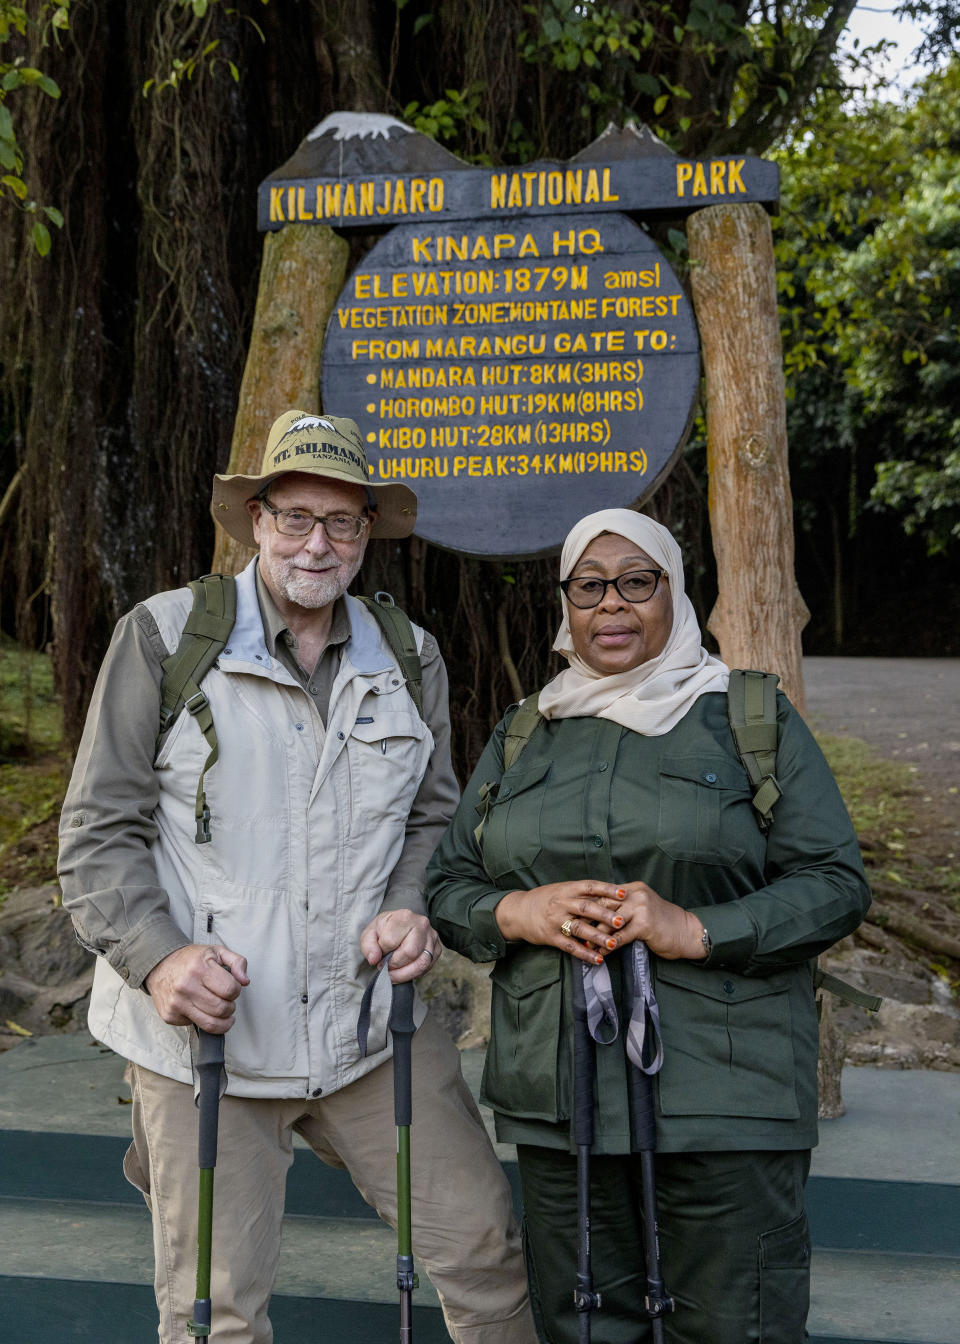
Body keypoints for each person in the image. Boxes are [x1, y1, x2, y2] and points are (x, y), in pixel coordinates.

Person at [58, 410, 537, 1344]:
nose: (318, 542)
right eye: (295, 517)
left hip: (369, 1029)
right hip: (210, 1044)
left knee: (484, 1252)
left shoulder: (410, 655)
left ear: (367, 535)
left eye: (344, 521)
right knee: (217, 1314)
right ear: (257, 521)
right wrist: (160, 962)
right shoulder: (163, 638)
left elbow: (431, 814)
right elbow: (96, 834)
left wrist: (409, 907)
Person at [425, 508, 871, 1344]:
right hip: (561, 1097)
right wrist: (517, 910)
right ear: (567, 604)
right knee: (586, 1327)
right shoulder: (528, 732)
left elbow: (835, 882)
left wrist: (694, 929)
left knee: (739, 1326)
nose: (613, 605)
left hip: (726, 1095)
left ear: (673, 592)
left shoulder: (747, 716)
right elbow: (451, 881)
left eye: (638, 581)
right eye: (590, 587)